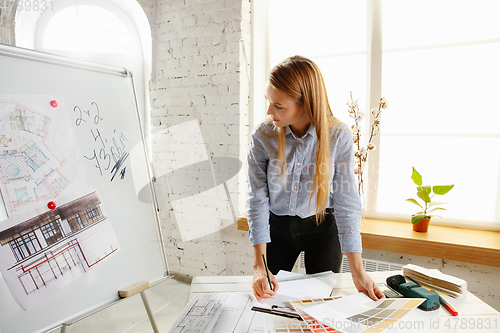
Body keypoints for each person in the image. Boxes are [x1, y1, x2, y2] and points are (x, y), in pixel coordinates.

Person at [246, 55, 384, 302]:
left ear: (305, 104)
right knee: (268, 301)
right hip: (275, 230)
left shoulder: (338, 135)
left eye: (279, 106)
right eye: (269, 102)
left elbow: (346, 202)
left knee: (322, 305)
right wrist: (259, 266)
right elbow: (256, 199)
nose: (269, 112)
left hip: (323, 229)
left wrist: (358, 271)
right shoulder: (263, 136)